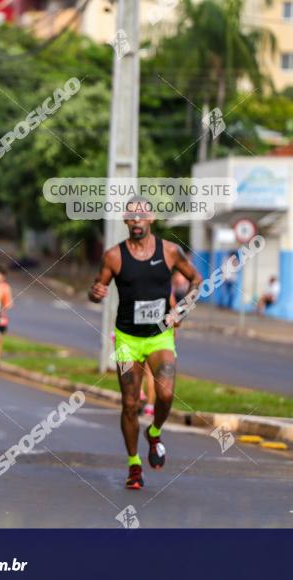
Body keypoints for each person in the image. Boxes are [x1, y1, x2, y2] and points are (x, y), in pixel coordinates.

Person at [89, 197, 201, 490]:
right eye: (131, 216)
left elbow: (197, 280)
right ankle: (134, 465)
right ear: (125, 222)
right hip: (127, 339)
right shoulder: (114, 256)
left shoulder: (170, 251)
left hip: (159, 335)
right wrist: (96, 293)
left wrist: (181, 310)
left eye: (142, 215)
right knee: (129, 403)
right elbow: (96, 288)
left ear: (151, 219)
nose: (136, 220)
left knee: (165, 394)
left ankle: (154, 432)